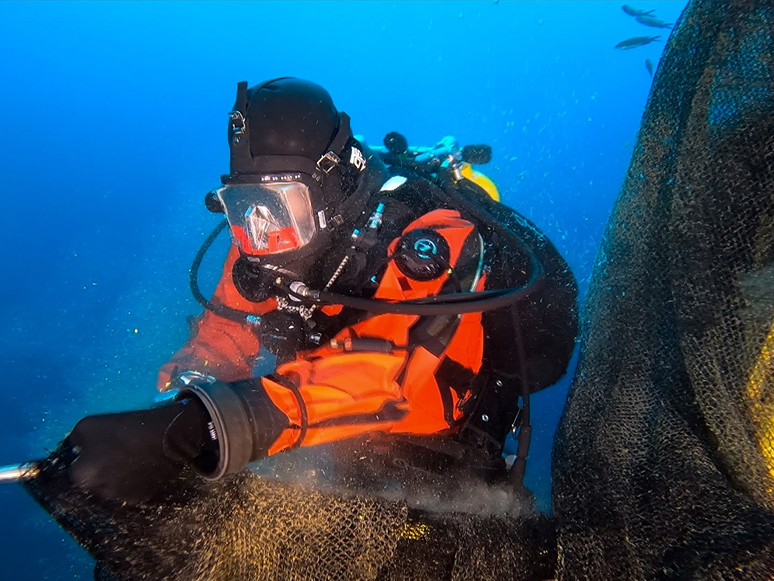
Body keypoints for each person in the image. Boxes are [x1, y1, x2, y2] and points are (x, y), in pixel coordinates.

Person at [65, 77, 579, 505]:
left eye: (278, 205)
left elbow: (387, 373)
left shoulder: (434, 235)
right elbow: (222, 333)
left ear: (330, 187)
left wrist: (216, 422)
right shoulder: (258, 234)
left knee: (450, 512)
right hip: (337, 406)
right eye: (244, 204)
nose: (260, 233)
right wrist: (178, 407)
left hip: (440, 417)